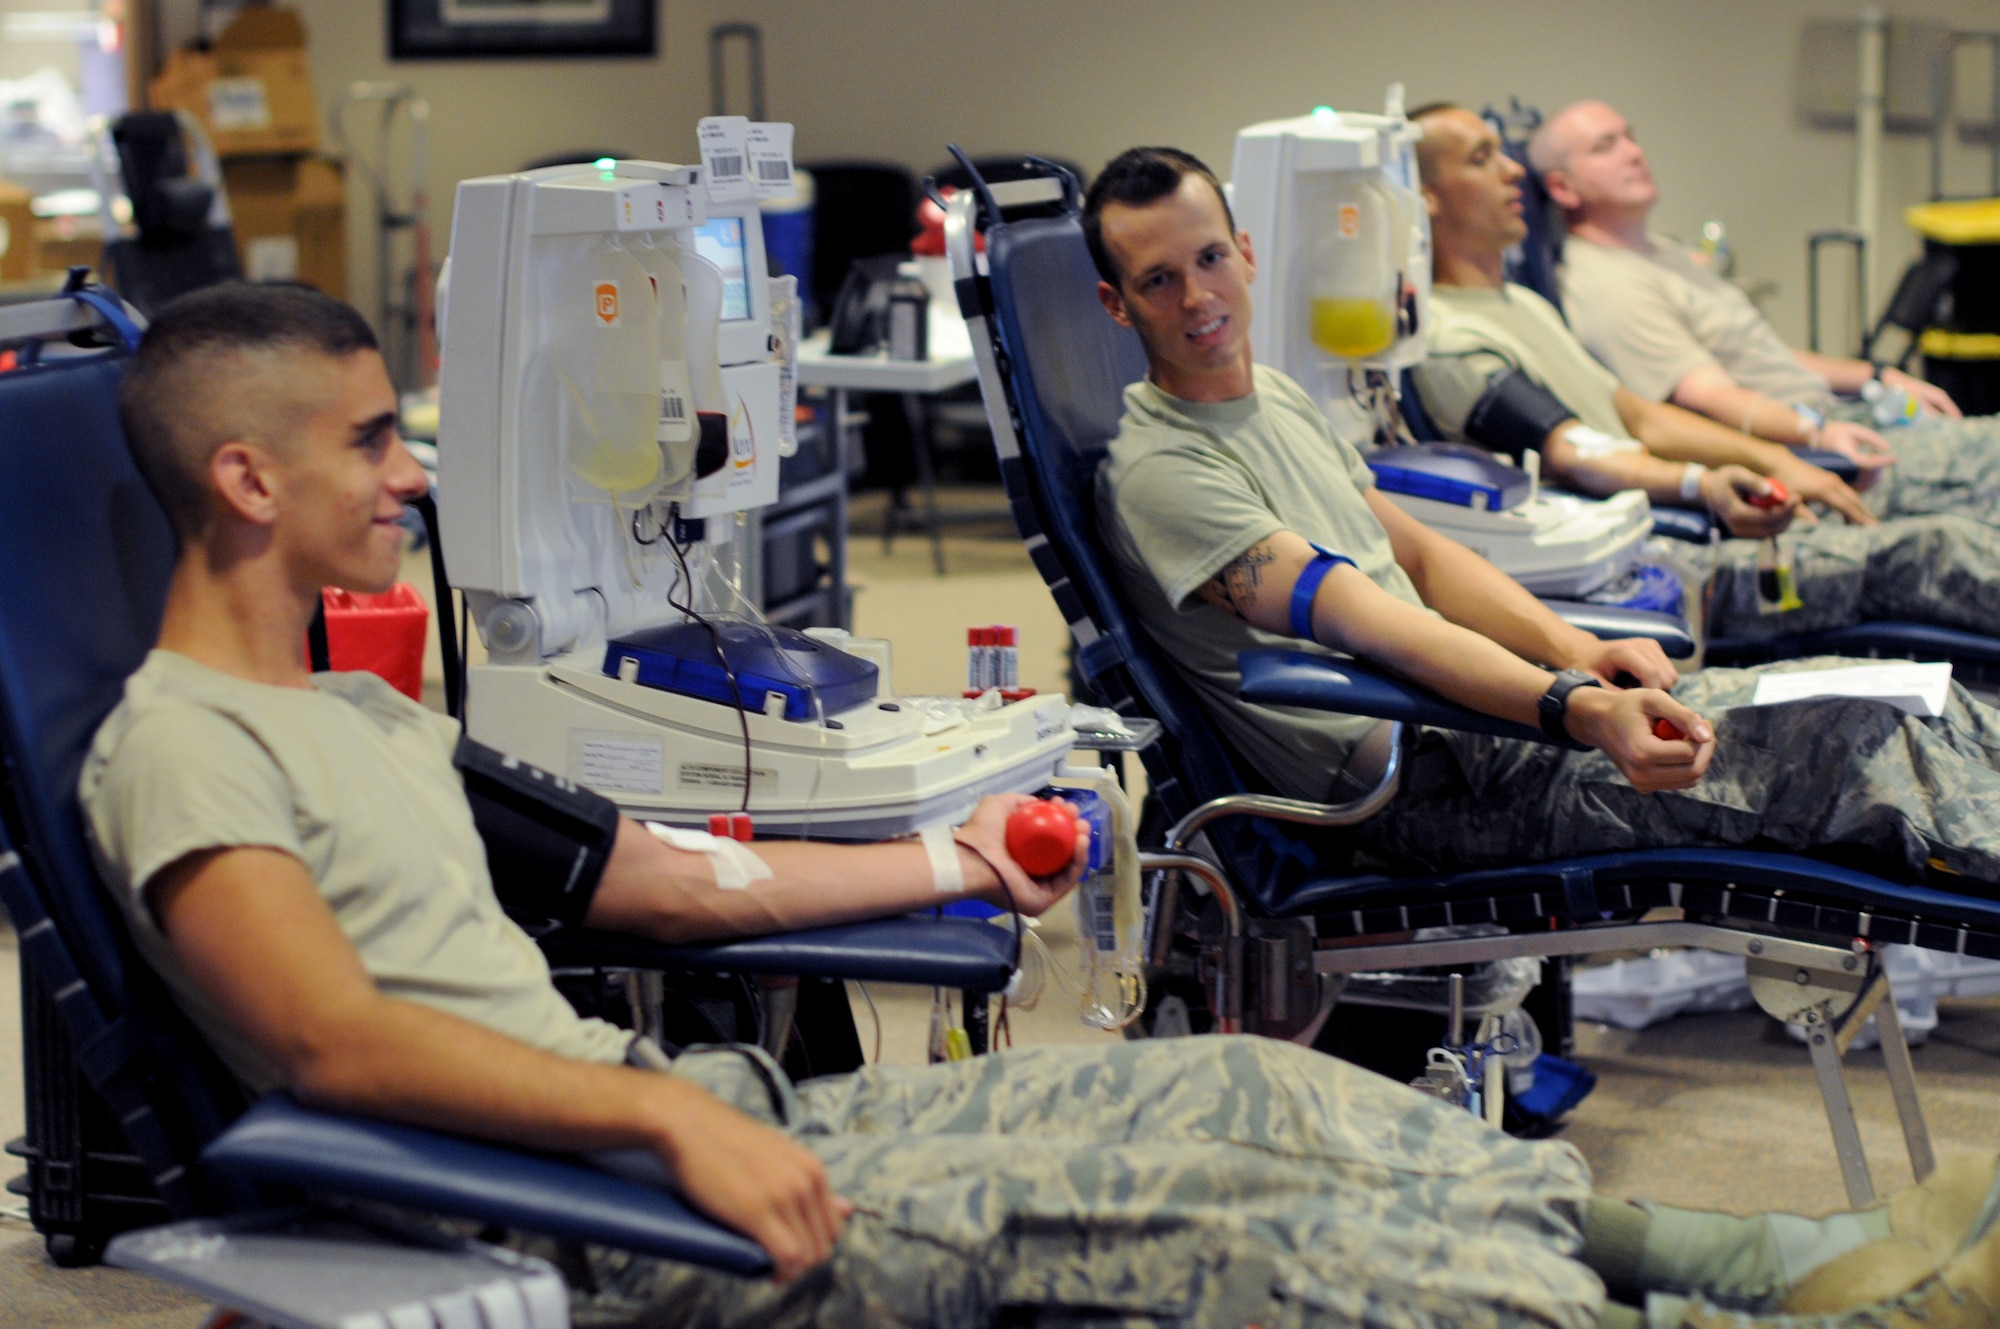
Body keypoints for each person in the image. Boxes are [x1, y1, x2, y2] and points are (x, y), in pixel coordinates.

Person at [77, 284, 1997, 1329]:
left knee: (1272, 1095)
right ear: (244, 477)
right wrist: (661, 1110)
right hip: (588, 1214)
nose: (410, 471)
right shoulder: (179, 744)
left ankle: (1740, 1257)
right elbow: (326, 1040)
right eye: (369, 442)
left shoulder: (359, 704)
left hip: (703, 1133)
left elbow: (645, 880)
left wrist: (945, 855)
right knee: (1225, 1225)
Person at [1405, 104, 2000, 645]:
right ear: (1425, 194)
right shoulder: (1450, 340)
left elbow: (1638, 415)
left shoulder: (1522, 305)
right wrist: (1705, 482)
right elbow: (1577, 453)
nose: (1512, 171)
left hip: (1692, 521)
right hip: (1667, 556)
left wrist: (1779, 460)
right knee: (1941, 548)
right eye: (1483, 159)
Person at [1534, 100, 2000, 526]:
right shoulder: (1608, 285)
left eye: (1629, 136)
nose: (1633, 152)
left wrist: (1875, 375)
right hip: (1815, 449)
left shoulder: (1662, 253)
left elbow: (1763, 352)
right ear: (1562, 187)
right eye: (1605, 147)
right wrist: (1816, 436)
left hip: (1837, 415)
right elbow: (1708, 398)